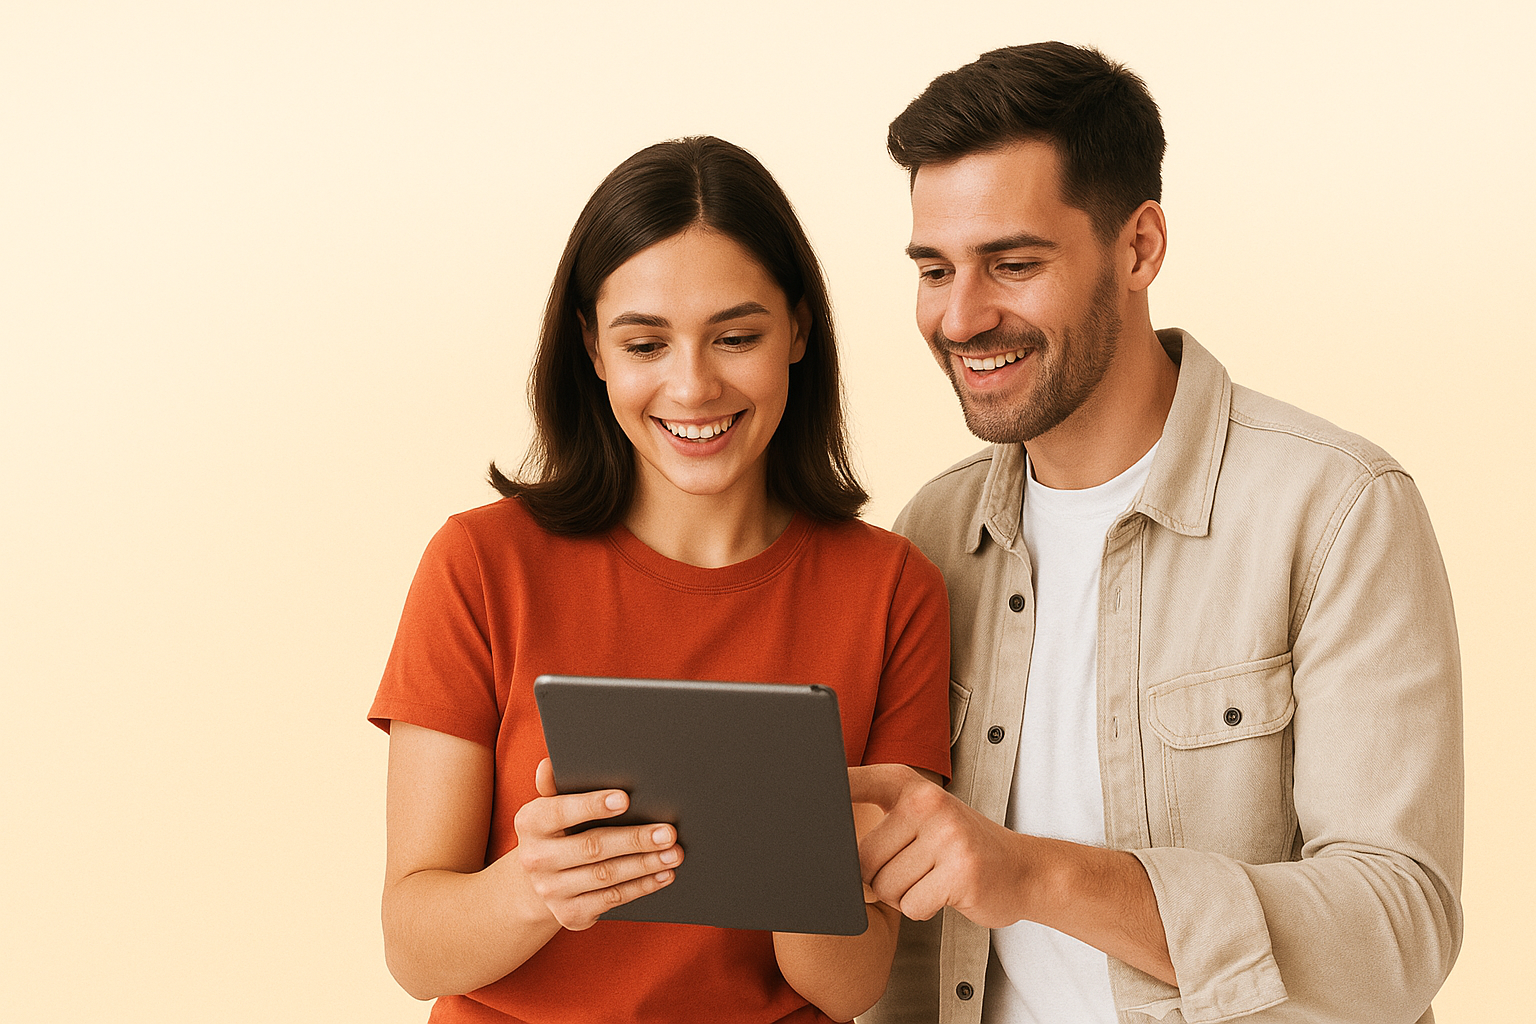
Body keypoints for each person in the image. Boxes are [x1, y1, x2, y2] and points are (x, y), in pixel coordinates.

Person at [851, 43, 1463, 1024]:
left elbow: (1398, 934)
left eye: (1012, 263)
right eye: (934, 268)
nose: (961, 316)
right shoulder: (930, 529)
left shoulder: (1338, 506)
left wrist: (1035, 875)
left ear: (1139, 248)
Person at [368, 136, 952, 1023]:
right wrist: (531, 887)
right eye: (645, 343)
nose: (692, 386)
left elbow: (853, 984)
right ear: (592, 351)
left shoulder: (893, 587)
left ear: (797, 329)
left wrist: (801, 840)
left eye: (736, 336)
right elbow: (412, 948)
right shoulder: (482, 565)